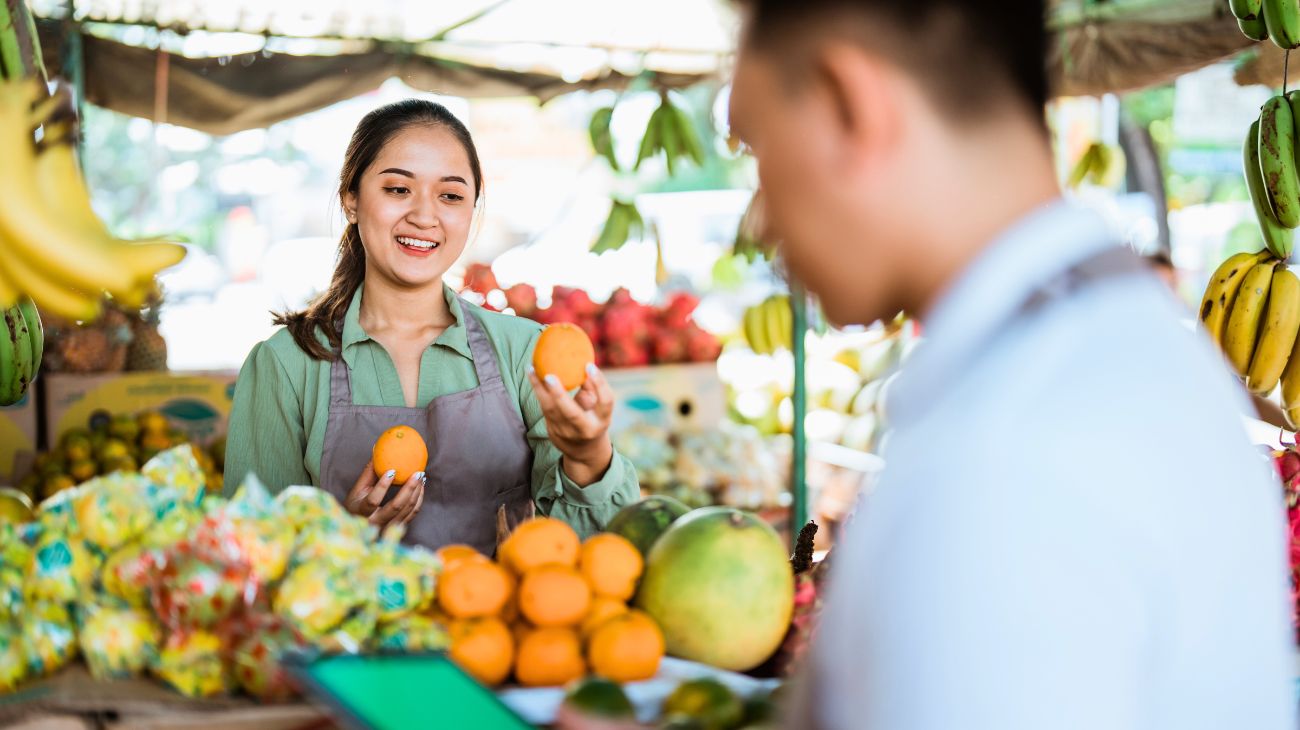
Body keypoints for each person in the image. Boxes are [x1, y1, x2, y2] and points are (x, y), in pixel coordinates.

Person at [726, 1, 1296, 728]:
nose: (762, 220)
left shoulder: (1006, 457)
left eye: (757, 144)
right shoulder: (1122, 352)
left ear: (849, 103)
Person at [224, 100, 639, 553]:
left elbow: (588, 553)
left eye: (451, 196)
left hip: (497, 621)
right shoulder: (286, 366)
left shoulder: (524, 353)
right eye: (399, 190)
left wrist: (588, 454)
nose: (425, 216)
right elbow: (249, 556)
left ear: (471, 209)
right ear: (351, 200)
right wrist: (343, 537)